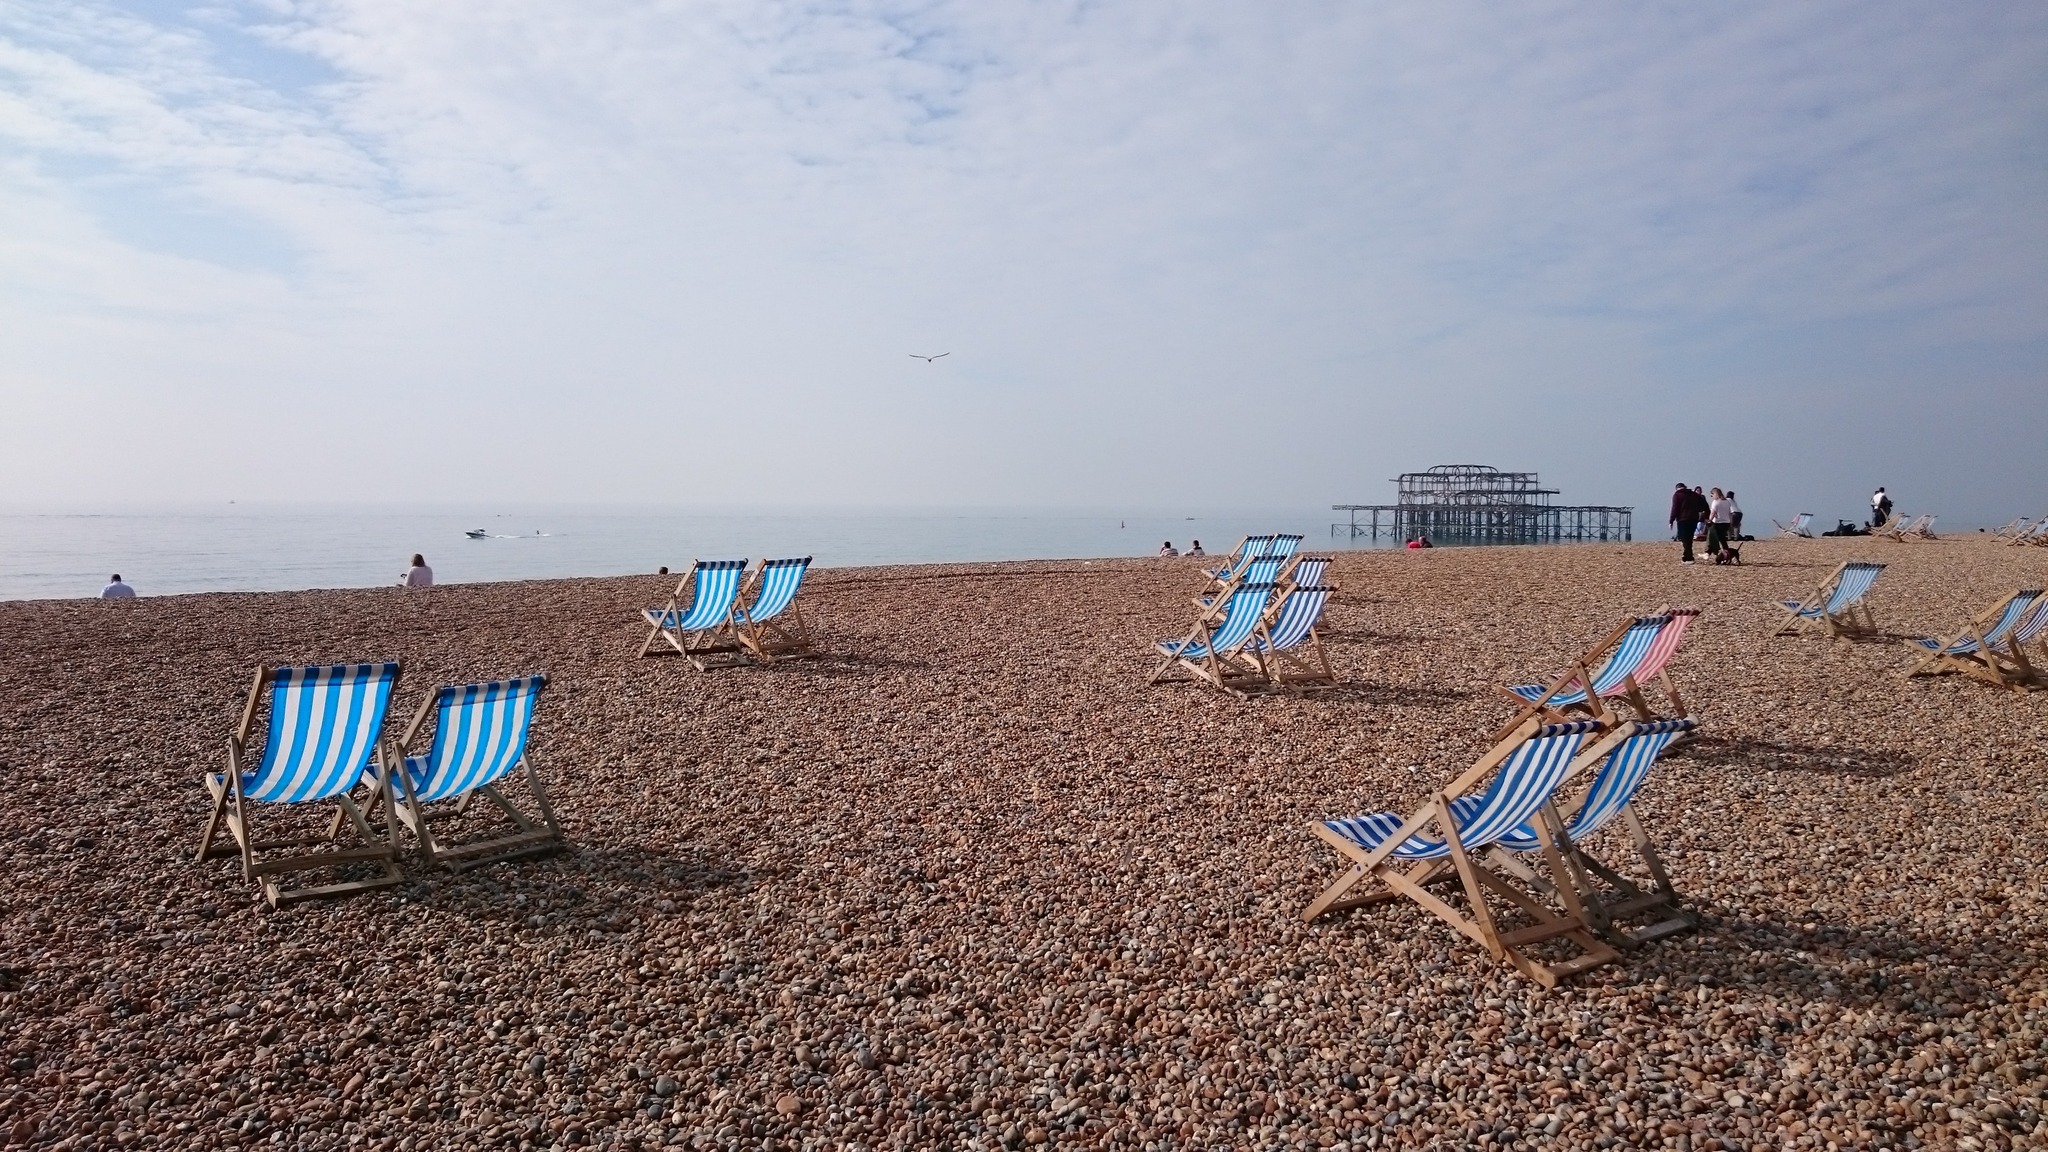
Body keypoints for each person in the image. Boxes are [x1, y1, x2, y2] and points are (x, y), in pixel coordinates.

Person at [1668, 483, 1705, 563]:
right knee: (1689, 537)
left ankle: (1688, 557)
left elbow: (1675, 508)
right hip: (1694, 518)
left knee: (1684, 537)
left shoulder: (1677, 495)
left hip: (1682, 519)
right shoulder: (1694, 495)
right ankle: (1688, 556)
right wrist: (1701, 512)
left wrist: (1671, 520)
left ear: (1677, 488)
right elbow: (1704, 505)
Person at [1705, 488, 1735, 558]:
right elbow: (1729, 512)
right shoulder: (1727, 502)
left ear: (1714, 494)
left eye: (1711, 495)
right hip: (1726, 522)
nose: (1711, 496)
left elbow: (1713, 512)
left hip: (1718, 522)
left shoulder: (1716, 502)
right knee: (1722, 538)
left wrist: (1709, 520)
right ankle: (1725, 552)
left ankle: (1720, 553)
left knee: (1715, 538)